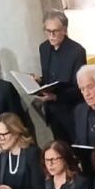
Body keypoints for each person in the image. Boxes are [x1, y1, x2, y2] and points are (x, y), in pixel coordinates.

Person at [37, 10, 87, 143]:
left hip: (71, 112)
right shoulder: (44, 48)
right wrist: (39, 81)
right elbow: (50, 77)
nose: (51, 35)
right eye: (48, 31)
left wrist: (56, 96)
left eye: (55, 31)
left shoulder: (77, 51)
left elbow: (79, 88)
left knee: (77, 151)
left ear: (64, 30)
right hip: (53, 113)